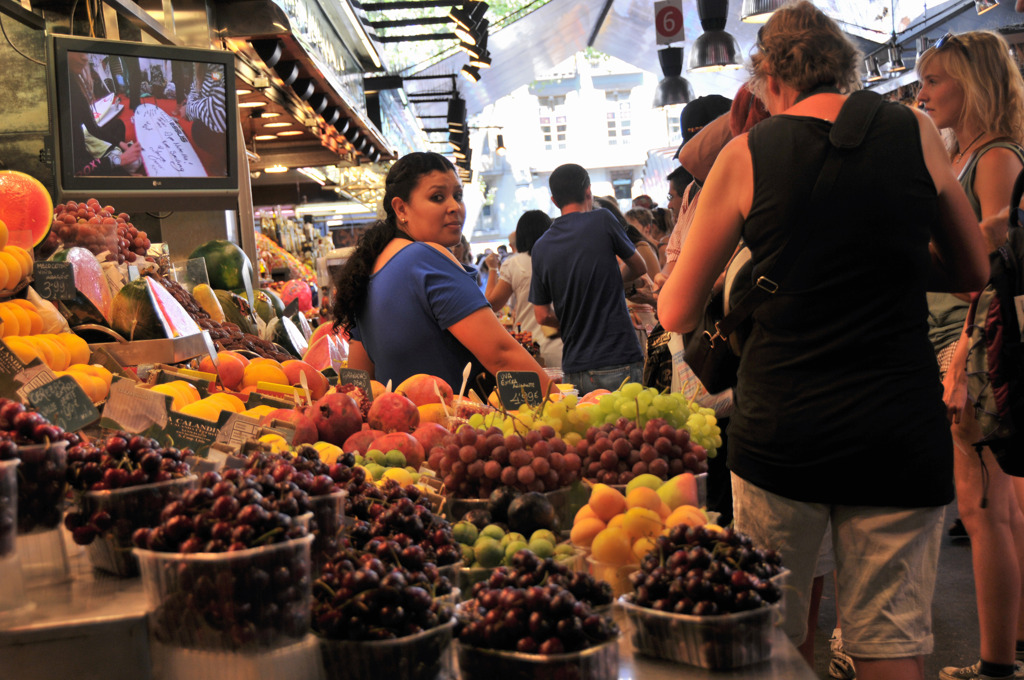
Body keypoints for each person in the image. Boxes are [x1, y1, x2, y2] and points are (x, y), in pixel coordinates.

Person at [657, 4, 989, 680]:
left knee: (776, 638)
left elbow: (676, 308)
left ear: (768, 78)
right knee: (891, 642)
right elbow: (973, 269)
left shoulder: (747, 154)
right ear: (846, 66)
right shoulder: (916, 129)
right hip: (897, 427)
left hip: (783, 430)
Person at [917, 30, 1024, 680]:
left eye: (935, 81)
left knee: (985, 507)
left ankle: (995, 662)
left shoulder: (994, 158)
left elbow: (994, 255)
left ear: (973, 84)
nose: (925, 94)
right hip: (969, 340)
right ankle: (1006, 649)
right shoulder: (981, 153)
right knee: (993, 507)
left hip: (972, 344)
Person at [331, 152, 553, 396]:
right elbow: (501, 355)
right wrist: (559, 403)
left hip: (398, 427)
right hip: (455, 428)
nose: (454, 207)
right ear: (401, 208)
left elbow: (359, 382)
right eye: (438, 197)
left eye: (457, 196)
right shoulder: (425, 258)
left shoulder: (371, 269)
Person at [530, 163, 647, 392]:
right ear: (588, 192)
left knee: (588, 429)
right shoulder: (602, 219)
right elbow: (639, 267)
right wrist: (617, 283)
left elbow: (542, 315)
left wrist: (572, 321)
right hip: (619, 356)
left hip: (575, 367)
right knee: (628, 428)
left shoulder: (541, 246)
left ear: (554, 201)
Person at [484, 210, 563, 370]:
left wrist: (492, 268)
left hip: (530, 346)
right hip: (562, 344)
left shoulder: (514, 264)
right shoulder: (562, 259)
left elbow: (491, 303)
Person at [67, 51, 142, 177]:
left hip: (83, 145)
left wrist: (120, 143)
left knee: (118, 124)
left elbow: (93, 128)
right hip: (81, 163)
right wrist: (120, 160)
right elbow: (78, 169)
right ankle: (116, 162)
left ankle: (116, 155)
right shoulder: (64, 95)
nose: (84, 57)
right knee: (137, 182)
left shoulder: (74, 84)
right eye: (76, 51)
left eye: (84, 52)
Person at [178, 63, 228, 177]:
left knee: (199, 129)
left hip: (223, 131)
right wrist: (190, 106)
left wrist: (189, 109)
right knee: (198, 128)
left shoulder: (218, 69)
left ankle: (225, 158)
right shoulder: (204, 68)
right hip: (209, 123)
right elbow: (194, 89)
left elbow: (219, 113)